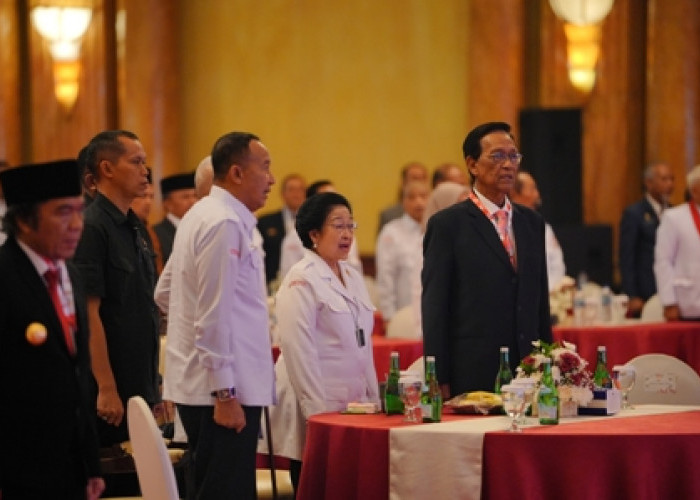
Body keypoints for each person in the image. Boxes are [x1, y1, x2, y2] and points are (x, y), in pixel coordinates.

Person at [156, 132, 275, 499]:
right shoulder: (222, 222)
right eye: (265, 168)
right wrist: (225, 392)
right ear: (237, 173)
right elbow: (213, 315)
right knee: (226, 492)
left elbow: (167, 293)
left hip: (216, 388)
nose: (271, 179)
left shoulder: (205, 214)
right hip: (221, 393)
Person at [422, 122, 552, 398]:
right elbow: (435, 307)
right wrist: (438, 377)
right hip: (473, 368)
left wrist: (547, 364)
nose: (507, 164)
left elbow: (539, 301)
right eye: (497, 156)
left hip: (528, 370)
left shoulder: (531, 222)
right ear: (472, 165)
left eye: (513, 156)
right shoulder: (448, 225)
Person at [0, 160, 105, 499]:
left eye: (79, 211)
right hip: (17, 471)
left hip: (69, 467)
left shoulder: (70, 275)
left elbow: (78, 374)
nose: (77, 225)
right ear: (23, 220)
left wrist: (90, 464)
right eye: (62, 213)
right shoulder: (4, 277)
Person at [263, 192, 380, 494]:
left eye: (351, 225)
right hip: (315, 404)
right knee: (315, 485)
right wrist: (317, 415)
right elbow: (298, 351)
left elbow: (363, 345)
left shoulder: (353, 276)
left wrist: (374, 399)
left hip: (353, 404)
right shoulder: (301, 279)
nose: (347, 234)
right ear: (314, 234)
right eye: (338, 225)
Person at [72, 130, 160, 448]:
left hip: (139, 382)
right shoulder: (92, 227)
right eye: (136, 162)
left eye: (145, 162)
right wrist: (106, 387)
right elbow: (89, 312)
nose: (145, 171)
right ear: (107, 169)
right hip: (112, 390)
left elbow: (142, 309)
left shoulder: (134, 226)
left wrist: (154, 385)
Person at [277, 179, 362, 285]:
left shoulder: (352, 274)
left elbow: (355, 266)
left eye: (350, 226)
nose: (347, 235)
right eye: (327, 201)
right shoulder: (299, 276)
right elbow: (287, 277)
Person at [619, 162, 674, 317]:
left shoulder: (674, 212)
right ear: (649, 183)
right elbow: (627, 257)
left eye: (672, 179)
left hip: (670, 292)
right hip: (645, 291)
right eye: (664, 179)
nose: (670, 184)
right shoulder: (634, 213)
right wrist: (632, 294)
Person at [375, 180, 429, 323]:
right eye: (412, 197)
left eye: (423, 196)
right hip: (402, 315)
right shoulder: (391, 232)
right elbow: (386, 277)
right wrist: (389, 316)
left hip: (431, 314)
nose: (419, 202)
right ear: (403, 201)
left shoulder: (435, 231)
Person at [654, 165, 700, 321]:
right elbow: (663, 261)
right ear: (694, 190)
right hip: (686, 303)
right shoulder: (674, 217)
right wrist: (669, 302)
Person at [510, 171, 566, 291]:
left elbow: (558, 264)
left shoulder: (545, 228)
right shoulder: (506, 228)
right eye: (532, 189)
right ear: (514, 193)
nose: (537, 195)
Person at [257, 173, 307, 286]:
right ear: (283, 194)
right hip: (271, 284)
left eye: (300, 190)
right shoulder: (265, 222)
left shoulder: (314, 225)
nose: (296, 194)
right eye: (292, 190)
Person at [153, 172, 197, 264]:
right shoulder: (156, 234)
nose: (193, 201)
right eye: (185, 197)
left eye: (195, 196)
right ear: (167, 203)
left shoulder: (199, 229)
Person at [377, 162, 429, 233]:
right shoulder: (389, 216)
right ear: (403, 182)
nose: (419, 182)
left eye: (423, 178)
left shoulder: (437, 214)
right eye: (415, 178)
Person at [131, 167, 164, 275]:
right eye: (143, 196)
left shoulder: (150, 230)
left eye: (151, 197)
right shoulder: (124, 230)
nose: (148, 202)